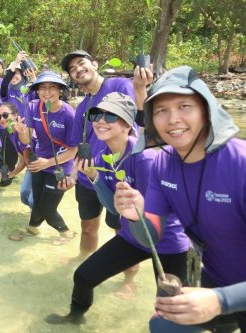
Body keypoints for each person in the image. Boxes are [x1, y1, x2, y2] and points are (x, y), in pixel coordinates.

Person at [114, 66, 246, 332]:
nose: (172, 119)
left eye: (184, 105)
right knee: (163, 324)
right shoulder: (162, 164)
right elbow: (150, 236)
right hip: (214, 278)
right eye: (161, 110)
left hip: (232, 292)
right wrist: (135, 215)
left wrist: (222, 300)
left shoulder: (241, 164)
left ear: (207, 111)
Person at [46, 92, 189, 325]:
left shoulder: (144, 157)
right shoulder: (103, 157)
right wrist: (93, 177)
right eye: (96, 115)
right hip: (132, 236)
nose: (101, 121)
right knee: (83, 276)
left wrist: (136, 204)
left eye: (111, 116)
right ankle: (75, 317)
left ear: (127, 124)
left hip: (166, 242)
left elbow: (155, 210)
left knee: (171, 308)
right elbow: (112, 209)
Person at [60, 50, 135, 260]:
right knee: (87, 228)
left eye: (81, 63)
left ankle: (128, 280)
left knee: (123, 233)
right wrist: (74, 175)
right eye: (72, 69)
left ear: (95, 63)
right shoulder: (83, 106)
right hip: (87, 178)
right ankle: (84, 261)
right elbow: (80, 146)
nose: (77, 70)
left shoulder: (120, 85)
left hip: (116, 174)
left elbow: (135, 124)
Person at [14, 71, 77, 241]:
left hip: (59, 167)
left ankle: (67, 233)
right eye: (43, 88)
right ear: (37, 90)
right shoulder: (33, 106)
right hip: (38, 163)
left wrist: (48, 162)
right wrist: (20, 133)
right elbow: (27, 139)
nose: (47, 92)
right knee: (37, 204)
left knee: (48, 209)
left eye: (52, 88)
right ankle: (32, 230)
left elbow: (74, 150)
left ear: (60, 91)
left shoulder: (69, 114)